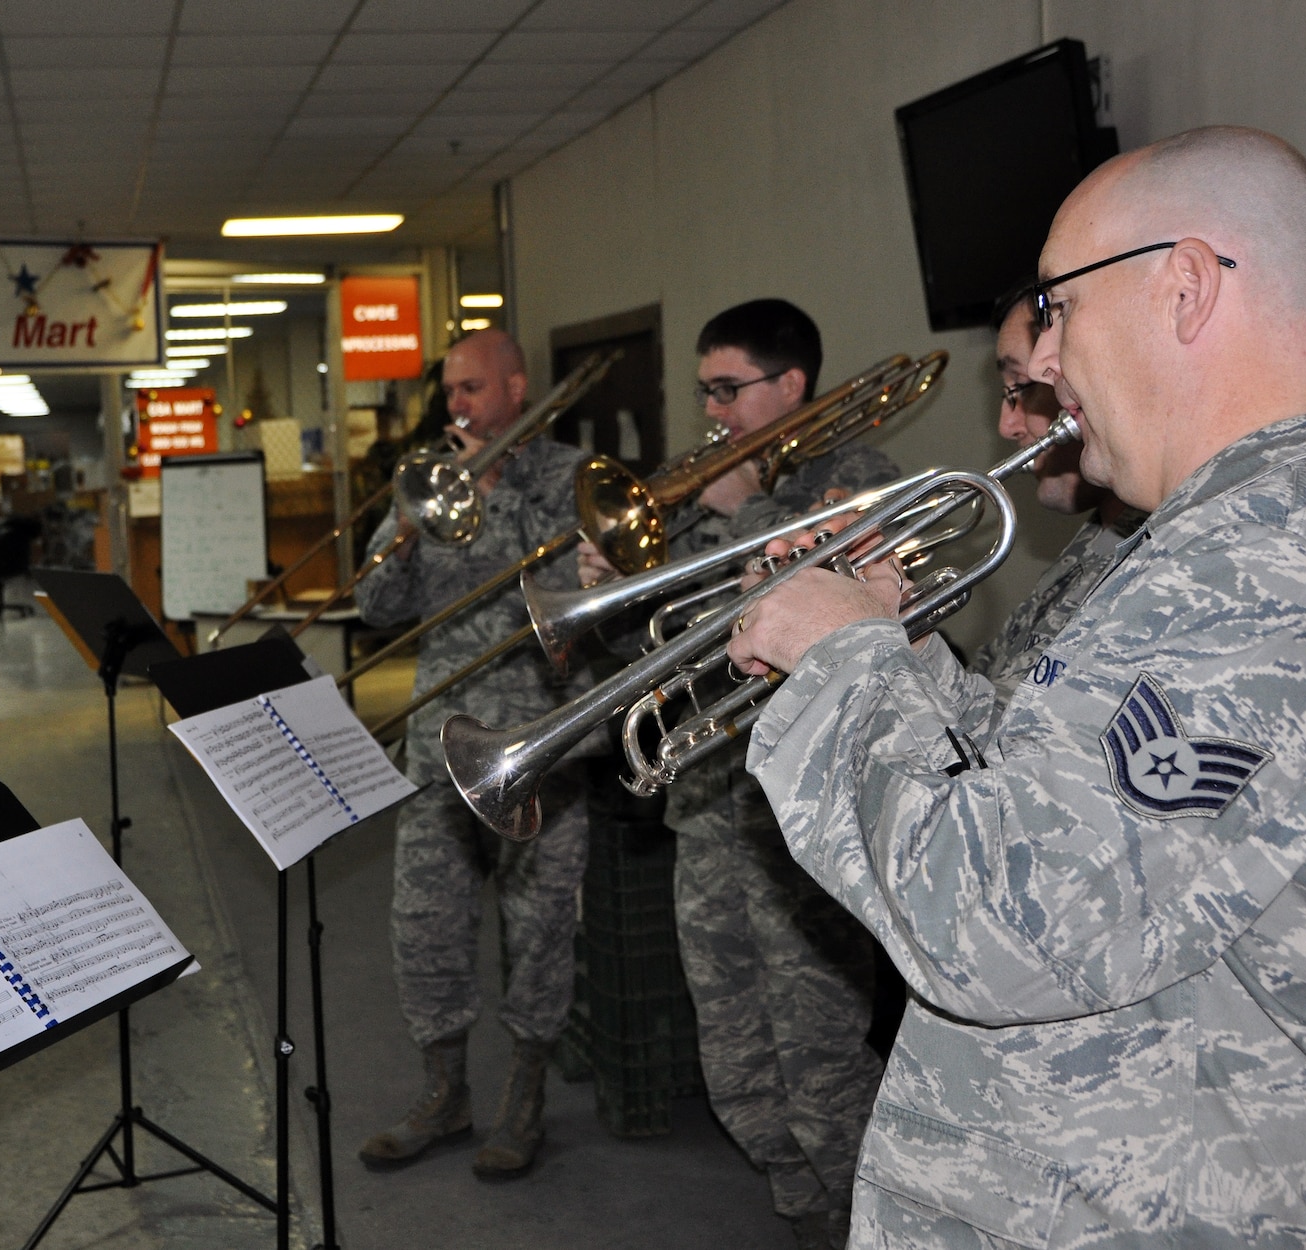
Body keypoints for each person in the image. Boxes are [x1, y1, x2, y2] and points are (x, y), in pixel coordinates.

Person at [728, 126, 1306, 1246]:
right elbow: (1056, 798)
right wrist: (892, 646)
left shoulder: (1277, 575)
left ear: (1181, 287)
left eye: (1057, 304)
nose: (1037, 361)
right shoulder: (1204, 549)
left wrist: (847, 665)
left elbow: (990, 920)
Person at [579, 299, 900, 1250]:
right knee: (737, 1067)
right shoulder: (695, 502)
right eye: (706, 389)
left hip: (802, 830)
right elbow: (663, 653)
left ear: (790, 387)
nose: (711, 412)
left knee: (821, 1068)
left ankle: (860, 1224)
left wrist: (752, 511)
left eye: (728, 390)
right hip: (708, 807)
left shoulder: (859, 478)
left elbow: (838, 627)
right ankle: (804, 1216)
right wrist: (615, 586)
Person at [354, 329, 589, 1180]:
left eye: (473, 388)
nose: (458, 405)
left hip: (539, 739)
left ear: (518, 386)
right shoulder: (428, 480)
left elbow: (588, 590)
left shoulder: (566, 477)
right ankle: (443, 1090)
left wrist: (497, 492)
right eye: (451, 390)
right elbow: (375, 606)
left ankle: (523, 1095)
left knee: (539, 927)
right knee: (424, 919)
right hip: (438, 741)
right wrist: (410, 530)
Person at [968, 284, 1143, 706]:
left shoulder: (1153, 547)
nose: (1006, 427)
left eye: (1021, 387)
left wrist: (866, 639)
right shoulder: (1100, 532)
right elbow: (990, 685)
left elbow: (1013, 747)